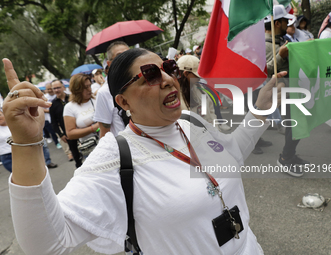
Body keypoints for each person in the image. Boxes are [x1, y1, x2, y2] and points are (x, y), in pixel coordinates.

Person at [3, 49, 285, 254]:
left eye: (168, 68)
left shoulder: (192, 122)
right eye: (150, 75)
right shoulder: (114, 155)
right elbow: (47, 243)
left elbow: (232, 155)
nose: (166, 79)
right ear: (124, 101)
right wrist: (27, 145)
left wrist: (259, 109)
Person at [265, 4, 309, 177]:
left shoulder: (281, 39)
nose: (288, 24)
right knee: (294, 126)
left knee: (298, 125)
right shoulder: (267, 44)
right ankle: (285, 158)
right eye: (285, 21)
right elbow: (266, 71)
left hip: (294, 88)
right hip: (284, 91)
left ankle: (290, 154)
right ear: (277, 23)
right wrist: (280, 55)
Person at [177, 55, 230, 133]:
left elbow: (211, 109)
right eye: (196, 74)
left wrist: (216, 129)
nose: (199, 77)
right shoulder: (177, 97)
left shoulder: (199, 87)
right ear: (186, 73)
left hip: (211, 134)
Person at [93, 41, 129, 138]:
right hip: (127, 148)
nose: (126, 59)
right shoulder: (104, 92)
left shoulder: (140, 83)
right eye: (119, 56)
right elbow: (104, 133)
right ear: (109, 64)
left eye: (129, 55)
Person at [50, 80, 83, 167]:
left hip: (81, 128)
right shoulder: (53, 105)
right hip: (68, 133)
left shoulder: (73, 98)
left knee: (88, 148)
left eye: (58, 87)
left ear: (63, 87)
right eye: (54, 88)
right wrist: (61, 134)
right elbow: (54, 122)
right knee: (76, 155)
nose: (56, 90)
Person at [63, 73, 99, 143]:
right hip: (90, 147)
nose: (89, 89)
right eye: (85, 87)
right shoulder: (69, 107)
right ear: (76, 89)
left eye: (89, 86)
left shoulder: (97, 99)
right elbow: (70, 134)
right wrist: (93, 128)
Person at [43, 83, 62, 149]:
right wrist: (51, 111)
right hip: (49, 119)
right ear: (46, 90)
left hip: (59, 117)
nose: (50, 90)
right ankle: (57, 143)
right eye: (48, 89)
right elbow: (42, 109)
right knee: (53, 132)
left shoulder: (57, 95)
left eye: (51, 88)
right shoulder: (44, 97)